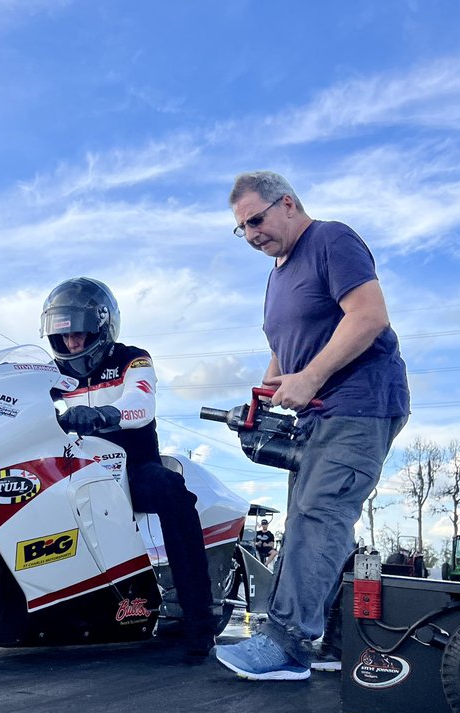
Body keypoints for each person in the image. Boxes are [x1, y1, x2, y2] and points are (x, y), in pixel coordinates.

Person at [214, 171, 410, 681]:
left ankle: (287, 644)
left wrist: (313, 375)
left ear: (288, 204)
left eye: (256, 219)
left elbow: (368, 317)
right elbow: (283, 349)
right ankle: (334, 640)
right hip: (315, 415)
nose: (252, 233)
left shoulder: (330, 239)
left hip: (359, 403)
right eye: (242, 228)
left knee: (319, 515)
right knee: (306, 518)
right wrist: (263, 398)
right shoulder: (277, 276)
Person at [41, 277, 217, 661]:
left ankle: (199, 622)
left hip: (131, 469)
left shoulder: (132, 358)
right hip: (67, 472)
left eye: (81, 333)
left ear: (102, 327)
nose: (72, 343)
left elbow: (142, 403)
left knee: (173, 493)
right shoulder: (47, 375)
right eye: (64, 334)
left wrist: (104, 414)